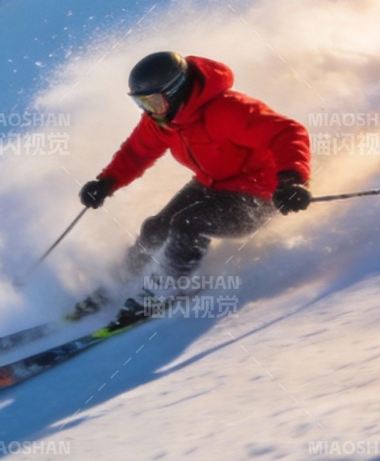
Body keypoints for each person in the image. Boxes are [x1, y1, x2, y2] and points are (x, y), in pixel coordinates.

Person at [80, 51, 311, 314]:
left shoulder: (228, 110)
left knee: (187, 224)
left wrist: (292, 181)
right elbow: (135, 154)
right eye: (142, 104)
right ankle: (120, 279)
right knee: (155, 228)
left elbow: (288, 132)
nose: (149, 112)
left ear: (175, 91)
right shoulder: (162, 122)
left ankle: (165, 288)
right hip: (210, 185)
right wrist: (106, 182)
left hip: (260, 194)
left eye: (154, 102)